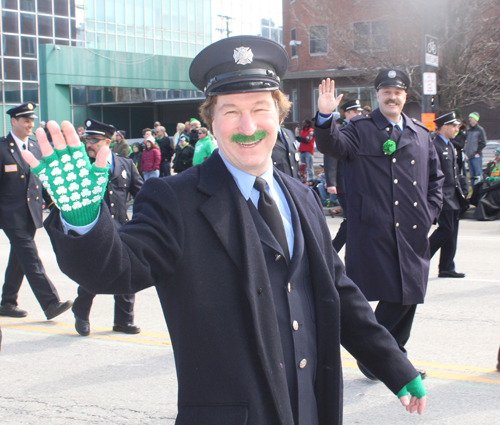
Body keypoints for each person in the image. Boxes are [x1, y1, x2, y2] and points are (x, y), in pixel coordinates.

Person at [24, 37, 426, 424]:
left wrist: (393, 364)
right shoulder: (174, 198)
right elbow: (115, 271)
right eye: (231, 111)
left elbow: (336, 291)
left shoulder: (302, 196)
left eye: (260, 109)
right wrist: (84, 221)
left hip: (311, 406)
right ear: (211, 122)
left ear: (279, 116)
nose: (247, 125)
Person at [314, 69, 444, 380]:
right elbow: (331, 145)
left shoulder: (420, 133)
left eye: (397, 92)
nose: (392, 96)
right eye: (386, 91)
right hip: (376, 228)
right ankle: (382, 356)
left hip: (413, 231)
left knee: (409, 294)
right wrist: (324, 115)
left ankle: (389, 356)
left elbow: (436, 179)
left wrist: (430, 213)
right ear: (378, 95)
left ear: (405, 97)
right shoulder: (359, 129)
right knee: (396, 294)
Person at [0, 102, 72, 320]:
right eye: (25, 120)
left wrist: (54, 205)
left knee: (20, 257)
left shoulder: (35, 148)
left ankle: (7, 302)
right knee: (30, 257)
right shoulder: (2, 148)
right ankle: (50, 303)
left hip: (32, 214)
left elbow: (43, 180)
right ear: (13, 121)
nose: (30, 124)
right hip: (9, 215)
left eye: (32, 120)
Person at [73, 119, 144, 336]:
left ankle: (124, 320)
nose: (89, 145)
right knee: (92, 275)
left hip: (122, 229)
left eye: (94, 140)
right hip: (94, 231)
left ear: (108, 141)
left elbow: (141, 194)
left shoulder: (126, 164)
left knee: (126, 273)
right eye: (86, 140)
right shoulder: (82, 166)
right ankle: (81, 314)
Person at [429, 112, 468, 278]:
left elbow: (455, 172)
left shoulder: (450, 145)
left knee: (452, 232)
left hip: (454, 196)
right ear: (444, 127)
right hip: (442, 195)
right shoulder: (434, 145)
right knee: (446, 229)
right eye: (454, 126)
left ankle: (446, 266)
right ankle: (418, 258)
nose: (457, 129)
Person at [327, 99, 363, 252]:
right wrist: (331, 182)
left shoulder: (363, 130)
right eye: (355, 112)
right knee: (352, 219)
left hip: (359, 182)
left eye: (359, 112)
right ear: (347, 114)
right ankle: (331, 251)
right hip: (343, 182)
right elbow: (331, 157)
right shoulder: (340, 132)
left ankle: (337, 251)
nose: (358, 114)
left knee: (356, 219)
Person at [465, 112, 487, 190]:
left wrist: (476, 151)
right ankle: (474, 192)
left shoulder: (480, 130)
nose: (469, 119)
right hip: (469, 156)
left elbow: (483, 143)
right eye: (469, 117)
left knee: (478, 175)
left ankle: (480, 191)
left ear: (475, 119)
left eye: (471, 117)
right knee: (472, 176)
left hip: (476, 157)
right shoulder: (468, 130)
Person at [296, 119, 315, 184]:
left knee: (309, 167)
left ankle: (311, 180)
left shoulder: (311, 131)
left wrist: (300, 138)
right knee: (304, 168)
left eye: (304, 123)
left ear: (308, 124)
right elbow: (299, 140)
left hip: (308, 152)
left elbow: (307, 140)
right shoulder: (302, 131)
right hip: (302, 151)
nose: (302, 125)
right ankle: (305, 179)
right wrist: (297, 136)